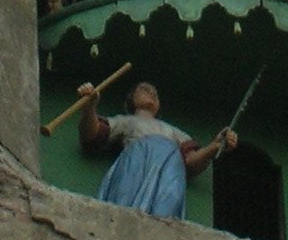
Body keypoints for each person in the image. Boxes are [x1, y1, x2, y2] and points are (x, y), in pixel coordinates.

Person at [77, 78, 236, 218]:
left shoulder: (173, 132)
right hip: (138, 160)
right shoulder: (127, 121)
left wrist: (214, 147)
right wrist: (90, 107)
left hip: (169, 165)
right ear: (132, 99)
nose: (152, 94)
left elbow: (190, 160)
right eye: (145, 90)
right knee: (125, 200)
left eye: (155, 93)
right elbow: (93, 135)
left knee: (167, 203)